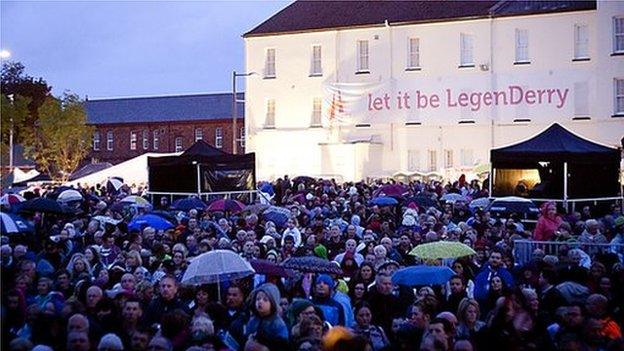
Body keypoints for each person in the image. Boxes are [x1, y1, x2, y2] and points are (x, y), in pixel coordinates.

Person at [245, 283, 289, 350]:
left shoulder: (277, 323)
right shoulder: (252, 321)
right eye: (258, 299)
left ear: (273, 303)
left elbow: (283, 344)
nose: (260, 302)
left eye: (265, 300)